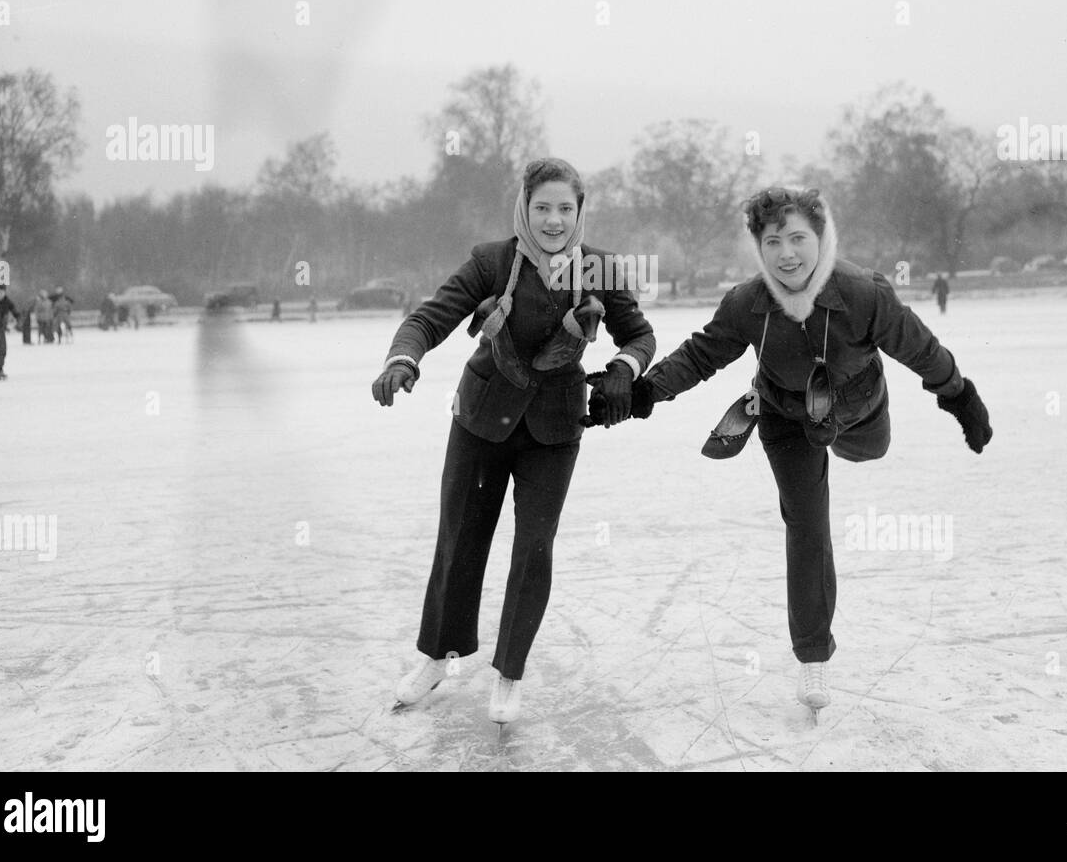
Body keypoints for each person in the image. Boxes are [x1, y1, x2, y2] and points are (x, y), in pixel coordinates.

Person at [596, 186, 991, 715]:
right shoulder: (747, 303)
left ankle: (859, 435)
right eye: (773, 240)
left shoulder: (863, 293)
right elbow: (700, 354)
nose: (787, 254)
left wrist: (958, 394)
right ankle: (813, 657)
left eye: (798, 238)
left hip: (858, 411)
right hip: (785, 418)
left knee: (870, 452)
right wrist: (648, 390)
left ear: (820, 237)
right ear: (759, 246)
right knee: (807, 522)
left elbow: (919, 348)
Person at [373, 157, 656, 726]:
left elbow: (640, 333)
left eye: (565, 209)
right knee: (460, 541)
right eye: (542, 207)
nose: (553, 220)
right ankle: (437, 656)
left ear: (580, 211)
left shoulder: (598, 267)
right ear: (523, 207)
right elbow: (431, 317)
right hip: (480, 423)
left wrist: (625, 367)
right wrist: (403, 357)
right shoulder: (493, 261)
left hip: (553, 430)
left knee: (534, 548)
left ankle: (510, 672)